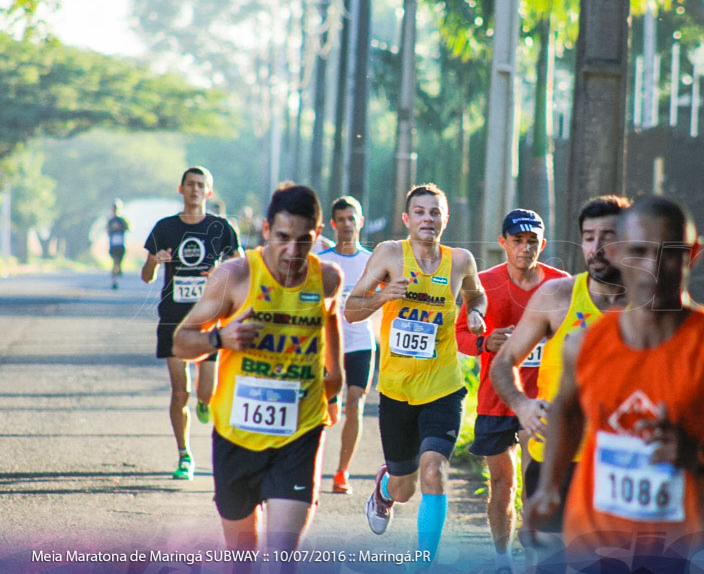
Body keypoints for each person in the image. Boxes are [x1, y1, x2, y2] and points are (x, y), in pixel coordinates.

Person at [525, 195, 704, 570]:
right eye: (638, 251)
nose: (653, 268)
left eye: (669, 253)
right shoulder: (586, 344)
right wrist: (549, 487)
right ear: (617, 253)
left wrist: (701, 458)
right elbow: (566, 413)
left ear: (693, 253)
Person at [172, 183, 343, 557]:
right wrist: (220, 339)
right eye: (282, 237)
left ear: (317, 235)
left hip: (299, 433)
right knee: (243, 554)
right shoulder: (234, 276)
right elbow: (181, 342)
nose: (292, 251)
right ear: (266, 230)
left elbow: (329, 317)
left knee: (282, 554)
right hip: (237, 434)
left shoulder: (327, 278)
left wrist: (335, 378)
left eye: (303, 240)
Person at [345, 183, 487, 564]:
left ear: (446, 219)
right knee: (406, 488)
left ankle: (425, 560)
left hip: (443, 386)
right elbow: (351, 309)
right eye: (420, 212)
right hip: (397, 390)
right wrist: (382, 296)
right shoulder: (390, 254)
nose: (428, 219)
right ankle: (386, 488)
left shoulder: (460, 261)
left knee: (434, 472)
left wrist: (476, 313)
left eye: (435, 212)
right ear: (407, 219)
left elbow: (477, 294)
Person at [490, 195, 630, 549]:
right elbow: (504, 362)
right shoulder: (557, 296)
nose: (596, 247)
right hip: (555, 459)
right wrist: (522, 405)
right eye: (588, 237)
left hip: (621, 466)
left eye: (608, 236)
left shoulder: (650, 306)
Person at [454, 209, 568, 573]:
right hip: (495, 398)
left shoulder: (560, 285)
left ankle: (534, 557)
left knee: (534, 483)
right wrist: (486, 342)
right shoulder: (482, 283)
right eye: (517, 240)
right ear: (502, 243)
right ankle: (502, 560)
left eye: (532, 240)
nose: (525, 247)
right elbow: (460, 337)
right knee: (501, 483)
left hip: (540, 401)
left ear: (543, 244)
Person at [141, 167, 241, 480]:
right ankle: (184, 456)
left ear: (209, 192)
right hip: (173, 319)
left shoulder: (221, 227)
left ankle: (204, 402)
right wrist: (153, 262)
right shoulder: (165, 228)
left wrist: (221, 276)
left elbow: (242, 271)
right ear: (181, 189)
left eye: (201, 185)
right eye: (190, 185)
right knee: (179, 391)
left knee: (206, 393)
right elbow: (146, 276)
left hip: (209, 322)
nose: (195, 190)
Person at [317, 196, 377, 494]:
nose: (347, 224)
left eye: (352, 218)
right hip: (328, 345)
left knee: (355, 403)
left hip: (360, 342)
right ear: (333, 224)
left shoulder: (371, 260)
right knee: (325, 413)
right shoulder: (324, 261)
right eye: (341, 219)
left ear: (361, 221)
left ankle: (342, 472)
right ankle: (311, 468)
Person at [107, 200, 129, 289]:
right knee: (115, 263)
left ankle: (115, 276)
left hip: (119, 244)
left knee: (117, 263)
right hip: (115, 245)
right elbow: (107, 230)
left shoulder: (121, 220)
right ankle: (114, 281)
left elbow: (128, 228)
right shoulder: (111, 220)